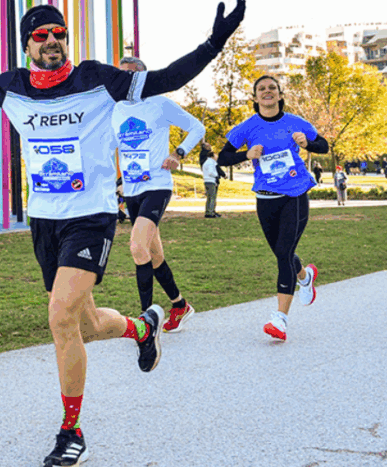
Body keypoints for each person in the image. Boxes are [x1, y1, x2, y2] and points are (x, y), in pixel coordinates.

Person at [0, 0, 245, 467]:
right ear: (27, 44)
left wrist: (215, 42)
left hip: (91, 216)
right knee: (85, 324)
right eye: (41, 34)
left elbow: (168, 78)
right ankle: (142, 327)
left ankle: (72, 432)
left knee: (60, 315)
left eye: (59, 33)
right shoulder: (11, 87)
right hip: (45, 220)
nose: (52, 40)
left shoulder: (97, 78)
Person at [217, 74, 328, 341]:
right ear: (255, 97)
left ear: (280, 94)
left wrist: (307, 144)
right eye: (261, 89)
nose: (267, 92)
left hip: (294, 193)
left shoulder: (295, 122)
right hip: (265, 198)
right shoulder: (247, 127)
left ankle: (280, 319)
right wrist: (246, 154)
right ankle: (304, 276)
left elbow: (323, 145)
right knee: (282, 252)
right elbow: (222, 157)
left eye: (272, 88)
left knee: (283, 253)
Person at [112, 55, 205, 332]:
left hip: (157, 185)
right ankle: (180, 305)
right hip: (132, 189)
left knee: (137, 246)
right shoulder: (115, 109)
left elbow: (197, 127)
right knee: (154, 255)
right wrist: (116, 182)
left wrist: (178, 153)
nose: (126, 80)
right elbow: (110, 148)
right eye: (122, 75)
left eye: (132, 75)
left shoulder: (159, 103)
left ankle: (146, 320)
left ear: (143, 77)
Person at [200, 142, 222, 218]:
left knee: (210, 197)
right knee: (212, 196)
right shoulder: (209, 161)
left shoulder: (208, 161)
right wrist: (217, 175)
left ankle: (209, 211)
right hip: (210, 180)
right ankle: (210, 212)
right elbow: (211, 172)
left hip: (208, 180)